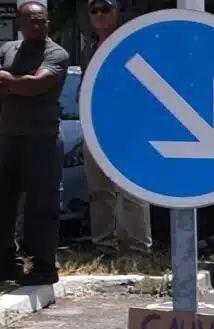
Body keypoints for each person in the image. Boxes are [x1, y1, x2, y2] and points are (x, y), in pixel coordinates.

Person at [0, 1, 70, 286]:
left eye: (42, 21)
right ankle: (7, 264)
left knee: (41, 207)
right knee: (3, 205)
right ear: (20, 22)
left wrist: (6, 79)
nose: (38, 25)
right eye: (32, 21)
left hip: (43, 139)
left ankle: (44, 266)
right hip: (8, 137)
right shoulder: (7, 50)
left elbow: (36, 85)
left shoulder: (57, 53)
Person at [83, 0, 153, 257]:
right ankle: (104, 247)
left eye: (105, 9)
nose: (100, 15)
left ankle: (137, 249)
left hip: (129, 129)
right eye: (94, 10)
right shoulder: (89, 48)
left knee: (132, 189)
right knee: (99, 190)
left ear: (117, 12)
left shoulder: (129, 43)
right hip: (95, 127)